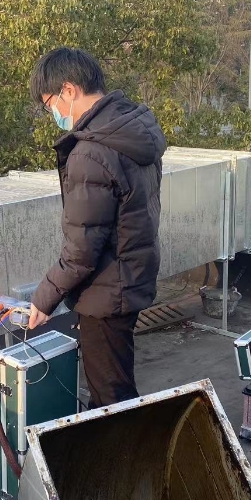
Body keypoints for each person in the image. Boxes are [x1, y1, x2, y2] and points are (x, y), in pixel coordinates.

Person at [27, 47, 166, 408]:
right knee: (115, 380)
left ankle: (128, 444)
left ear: (69, 90)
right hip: (132, 276)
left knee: (110, 398)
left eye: (50, 104)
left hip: (107, 291)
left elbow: (81, 250)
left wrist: (44, 299)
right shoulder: (131, 129)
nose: (53, 114)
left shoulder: (91, 152)